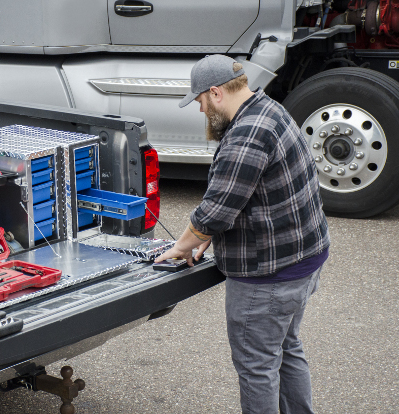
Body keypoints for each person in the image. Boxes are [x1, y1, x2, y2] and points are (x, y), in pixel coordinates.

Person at [155, 54, 330, 414]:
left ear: (216, 93)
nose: (202, 111)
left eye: (201, 102)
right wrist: (203, 238)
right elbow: (244, 196)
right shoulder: (269, 110)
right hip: (305, 260)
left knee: (257, 367)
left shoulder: (245, 137)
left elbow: (214, 212)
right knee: (285, 348)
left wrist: (180, 246)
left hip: (270, 277)